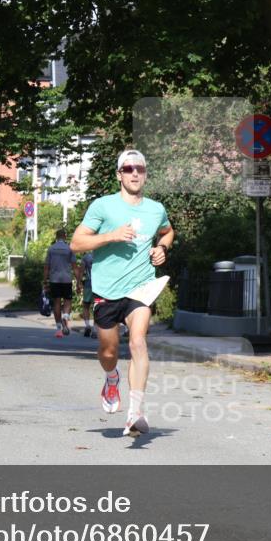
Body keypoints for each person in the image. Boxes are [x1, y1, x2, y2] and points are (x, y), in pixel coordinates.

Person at [70, 149, 174, 437]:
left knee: (139, 341)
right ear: (119, 174)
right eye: (128, 169)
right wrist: (111, 236)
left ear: (146, 173)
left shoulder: (155, 209)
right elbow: (76, 244)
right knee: (108, 351)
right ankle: (111, 377)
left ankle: (135, 413)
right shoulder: (103, 207)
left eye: (139, 168)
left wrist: (162, 248)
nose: (135, 173)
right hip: (107, 289)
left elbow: (167, 231)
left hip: (141, 286)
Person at [44, 229, 78, 338]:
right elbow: (74, 267)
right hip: (66, 279)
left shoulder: (51, 249)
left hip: (54, 280)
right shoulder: (69, 249)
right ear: (65, 236)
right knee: (68, 301)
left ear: (56, 237)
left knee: (57, 302)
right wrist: (79, 281)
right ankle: (66, 316)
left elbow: (46, 267)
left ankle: (59, 328)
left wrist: (45, 280)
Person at [76, 252, 96, 337]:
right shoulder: (102, 255)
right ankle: (95, 329)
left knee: (86, 305)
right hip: (100, 284)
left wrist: (79, 283)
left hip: (88, 283)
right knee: (97, 305)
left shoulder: (86, 257)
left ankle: (87, 325)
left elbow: (81, 272)